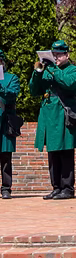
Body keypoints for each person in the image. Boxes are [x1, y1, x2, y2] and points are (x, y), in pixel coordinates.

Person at [29, 40, 76, 200]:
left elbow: (68, 83)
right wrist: (37, 73)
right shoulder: (47, 71)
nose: (56, 57)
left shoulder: (74, 70)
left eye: (59, 54)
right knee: (52, 153)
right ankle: (56, 187)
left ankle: (67, 188)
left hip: (63, 115)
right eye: (54, 54)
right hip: (49, 115)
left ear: (67, 55)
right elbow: (34, 90)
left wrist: (52, 68)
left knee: (65, 151)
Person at [0, 50, 21, 199]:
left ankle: (6, 187)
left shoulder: (11, 78)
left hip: (5, 120)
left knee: (6, 156)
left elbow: (12, 94)